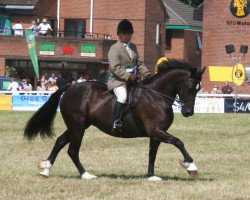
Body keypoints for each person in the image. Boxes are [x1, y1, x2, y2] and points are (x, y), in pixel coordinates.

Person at [107, 19, 151, 132]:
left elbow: (139, 63)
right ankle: (116, 122)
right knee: (122, 96)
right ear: (119, 34)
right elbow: (115, 67)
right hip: (118, 81)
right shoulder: (114, 48)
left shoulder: (133, 47)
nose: (128, 36)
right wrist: (129, 76)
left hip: (133, 80)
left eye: (130, 33)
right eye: (125, 33)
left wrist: (147, 73)